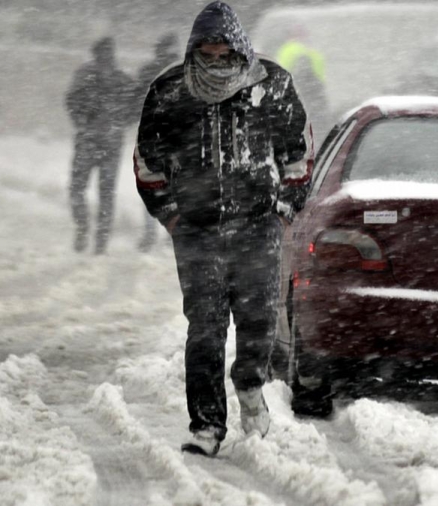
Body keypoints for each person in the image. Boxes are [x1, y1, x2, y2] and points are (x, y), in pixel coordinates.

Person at [134, 1, 310, 457]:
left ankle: (250, 389)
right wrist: (172, 216)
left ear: (239, 50)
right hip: (197, 231)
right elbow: (148, 165)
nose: (215, 63)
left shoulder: (271, 85)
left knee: (258, 322)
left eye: (223, 54)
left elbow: (298, 156)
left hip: (258, 227)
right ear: (193, 51)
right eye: (206, 55)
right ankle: (207, 425)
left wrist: (282, 212)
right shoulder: (170, 92)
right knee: (205, 330)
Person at [65, 36, 135, 254]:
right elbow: (136, 107)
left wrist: (82, 122)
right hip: (109, 142)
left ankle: (84, 228)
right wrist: (119, 124)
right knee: (104, 193)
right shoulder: (122, 79)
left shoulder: (86, 75)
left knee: (79, 188)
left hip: (90, 140)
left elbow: (70, 101)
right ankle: (99, 238)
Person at [134, 33, 180, 253]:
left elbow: (136, 100)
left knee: (151, 184)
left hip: (152, 136)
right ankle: (173, 231)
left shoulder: (148, 71)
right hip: (179, 137)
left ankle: (150, 233)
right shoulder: (183, 70)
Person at [276, 26, 330, 148]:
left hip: (298, 94)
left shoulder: (286, 50)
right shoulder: (310, 52)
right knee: (317, 130)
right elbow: (316, 77)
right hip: (314, 95)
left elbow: (284, 74)